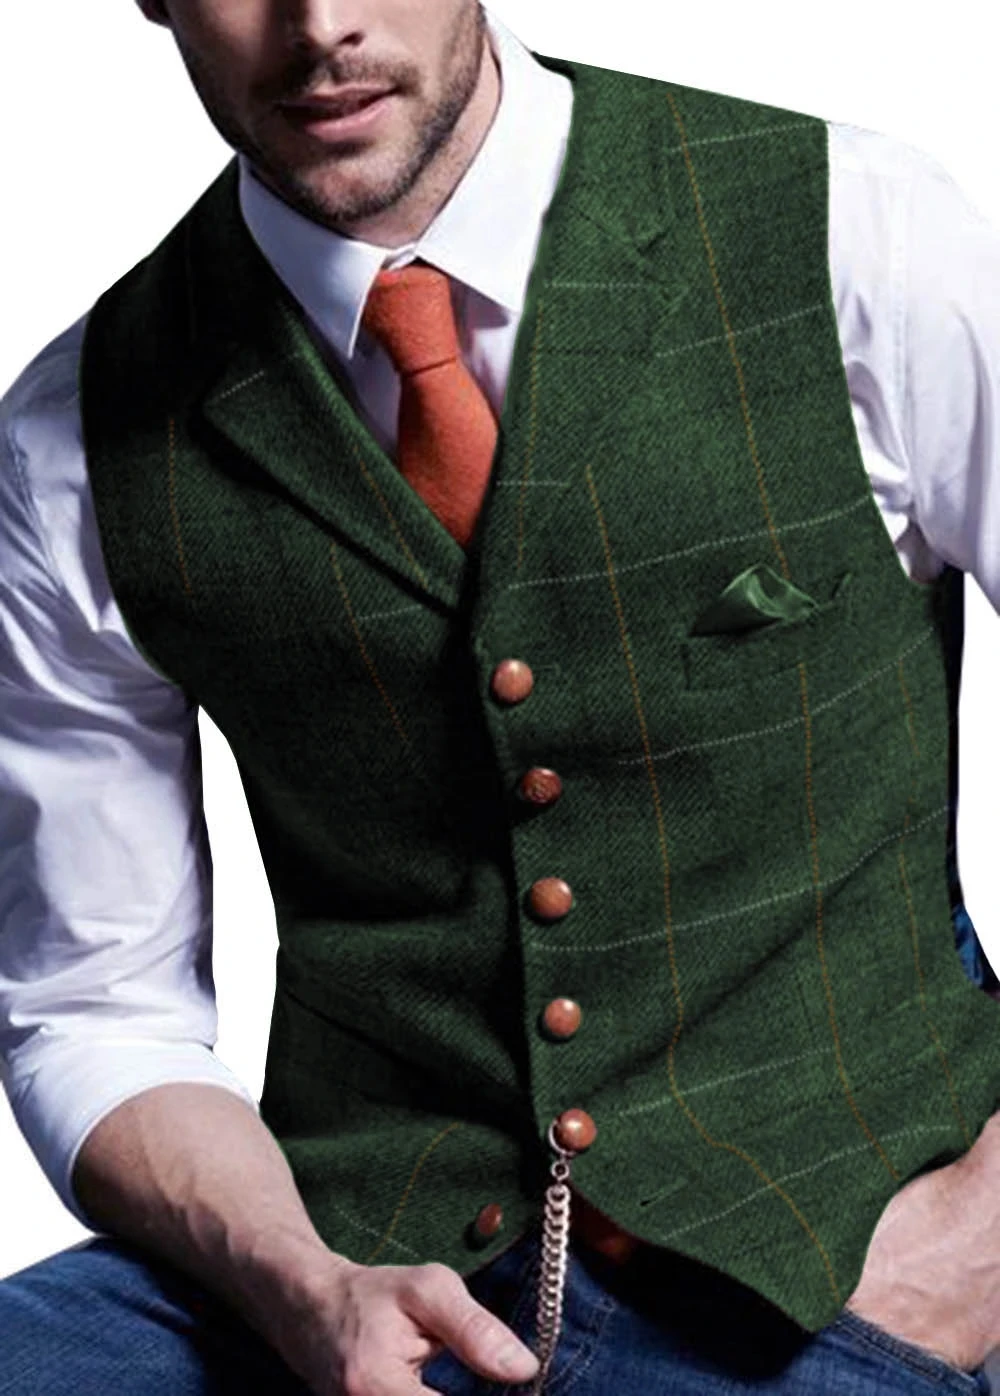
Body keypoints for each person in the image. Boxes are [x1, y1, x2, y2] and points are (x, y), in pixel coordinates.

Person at [2, 1, 1000, 1393]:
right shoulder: (78, 429)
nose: (321, 25)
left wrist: (976, 1248)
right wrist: (300, 1283)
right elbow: (96, 1005)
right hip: (350, 1253)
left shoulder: (855, 233)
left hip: (837, 1261)